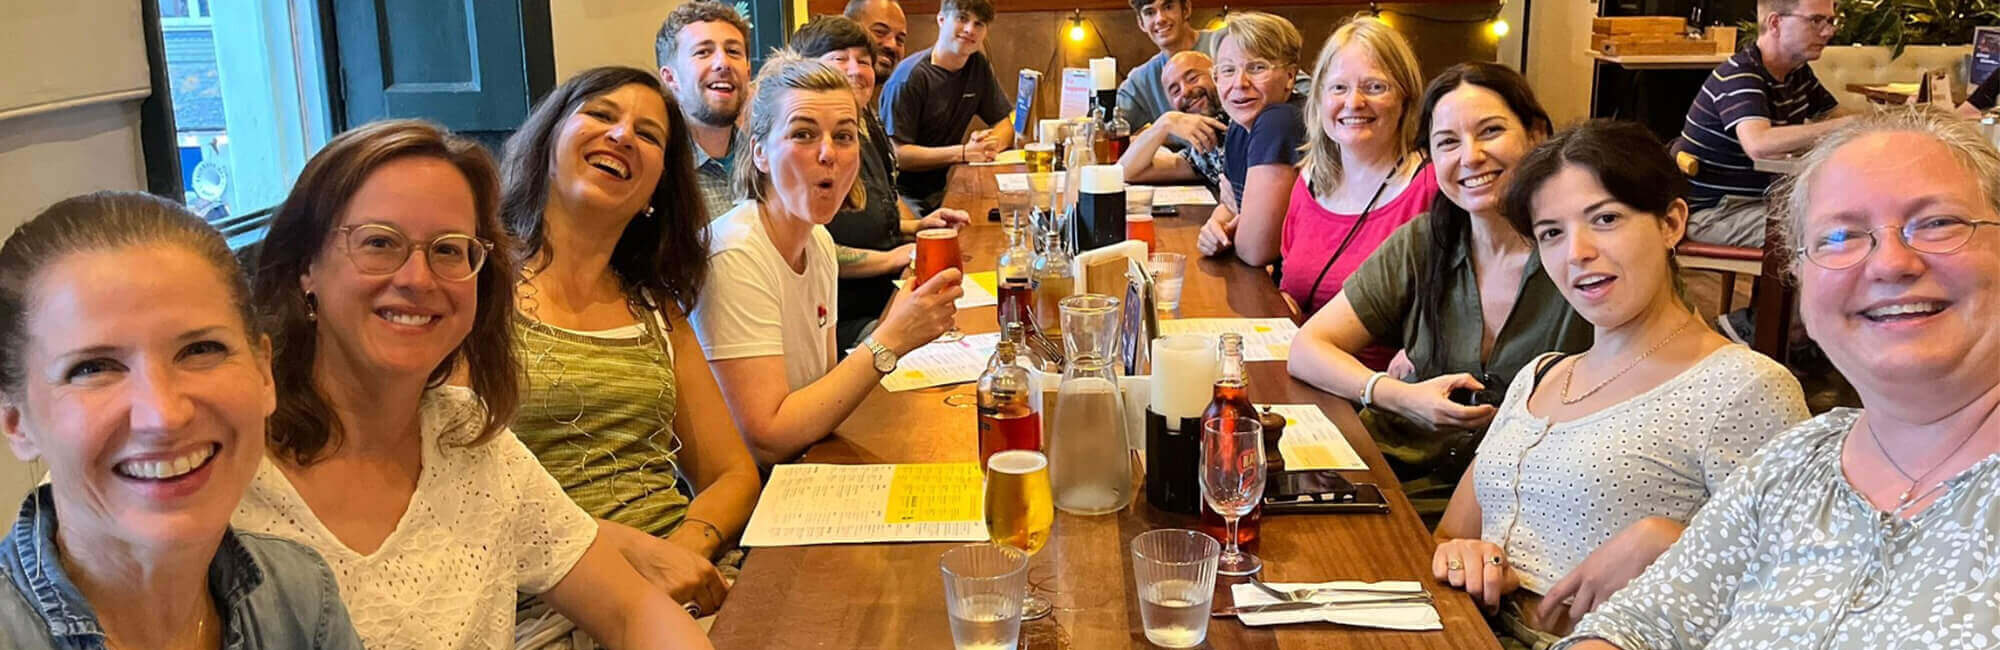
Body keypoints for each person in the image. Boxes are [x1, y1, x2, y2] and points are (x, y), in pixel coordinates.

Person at [236, 120, 711, 648]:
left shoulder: (469, 438)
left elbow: (631, 609)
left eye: (447, 250)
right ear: (306, 267)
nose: (417, 279)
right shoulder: (228, 475)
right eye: (379, 243)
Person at [1556, 107, 2000, 650]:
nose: (1891, 264)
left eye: (1936, 223)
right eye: (1840, 236)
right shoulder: (1794, 465)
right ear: (1800, 281)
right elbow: (1638, 625)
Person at [1429, 120, 1809, 647]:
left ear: (1672, 223)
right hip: (1460, 628)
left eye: (1605, 219)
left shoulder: (1742, 387)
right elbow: (1451, 532)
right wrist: (1464, 555)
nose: (1576, 252)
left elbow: (1801, 590)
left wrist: (1671, 541)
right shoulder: (1542, 374)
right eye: (1551, 233)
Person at [0, 192, 363, 648]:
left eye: (201, 350)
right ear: (16, 421)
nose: (165, 416)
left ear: (263, 372)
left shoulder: (298, 597)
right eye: (93, 368)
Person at [498, 66, 759, 617]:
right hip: (548, 603)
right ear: (548, 141)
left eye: (648, 135)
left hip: (688, 586)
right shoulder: (475, 290)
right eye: (600, 114)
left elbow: (732, 473)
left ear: (655, 191)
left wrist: (687, 547)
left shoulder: (655, 306)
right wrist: (637, 560)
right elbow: (457, 495)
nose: (622, 136)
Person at [1286, 62, 1591, 522]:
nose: (1469, 156)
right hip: (1393, 482)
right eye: (1447, 142)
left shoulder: (1584, 253)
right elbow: (1307, 348)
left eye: (1490, 131)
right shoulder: (1424, 242)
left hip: (1527, 509)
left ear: (1536, 134)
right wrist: (1396, 395)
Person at [693, 53, 963, 466]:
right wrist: (892, 337)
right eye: (803, 134)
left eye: (844, 136)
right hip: (753, 502)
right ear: (760, 153)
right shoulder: (733, 254)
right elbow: (768, 440)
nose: (828, 154)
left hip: (809, 468)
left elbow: (820, 392)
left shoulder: (818, 243)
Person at [793, 15, 972, 350]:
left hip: (887, 295)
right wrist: (895, 258)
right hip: (842, 322)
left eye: (863, 61)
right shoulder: (803, 154)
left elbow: (876, 210)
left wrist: (917, 227)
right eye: (839, 59)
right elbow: (808, 247)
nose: (855, 70)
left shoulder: (867, 124)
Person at [1279, 16, 1436, 339]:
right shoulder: (1309, 180)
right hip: (1300, 367)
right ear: (1320, 98)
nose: (1353, 102)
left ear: (1406, 98)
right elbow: (1288, 285)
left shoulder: (1431, 188)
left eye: (1375, 87)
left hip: (1379, 384)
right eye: (1339, 88)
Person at [1674, 0, 1851, 249]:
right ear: (1775, 23)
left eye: (1830, 21)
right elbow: (1759, 144)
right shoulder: (1740, 75)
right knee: (1834, 238)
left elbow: (1835, 116)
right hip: (1716, 213)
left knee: (1851, 222)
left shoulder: (1796, 73)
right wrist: (1844, 125)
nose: (1827, 32)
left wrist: (1882, 119)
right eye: (1815, 21)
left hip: (1767, 202)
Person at [1192, 11, 1308, 268]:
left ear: (1290, 76)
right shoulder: (1239, 125)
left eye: (1256, 68)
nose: (1239, 83)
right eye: (1227, 70)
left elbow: (1255, 250)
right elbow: (1228, 205)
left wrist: (1239, 217)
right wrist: (1214, 228)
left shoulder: (1279, 120)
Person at [878, 0, 1015, 214]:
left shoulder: (977, 65)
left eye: (979, 24)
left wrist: (988, 146)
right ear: (941, 19)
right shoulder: (909, 78)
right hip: (902, 195)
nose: (970, 29)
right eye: (962, 18)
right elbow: (898, 155)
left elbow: (1005, 124)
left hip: (946, 186)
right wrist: (963, 153)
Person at [656, 1, 755, 221]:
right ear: (670, 78)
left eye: (733, 51)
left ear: (748, 72)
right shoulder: (653, 173)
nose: (723, 63)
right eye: (703, 52)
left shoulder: (769, 163)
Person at [1118, 50, 1229, 189]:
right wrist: (1165, 123)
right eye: (1175, 91)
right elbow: (1126, 172)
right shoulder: (1206, 149)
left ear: (1217, 75)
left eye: (1192, 78)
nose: (1185, 91)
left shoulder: (1246, 123)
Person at [1117, 0, 1221, 132]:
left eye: (1168, 7)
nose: (1160, 19)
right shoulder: (1140, 81)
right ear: (1141, 23)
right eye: (1150, 12)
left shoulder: (1225, 44)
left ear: (1186, 9)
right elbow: (1113, 133)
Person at [843, 0, 908, 90]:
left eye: (900, 39)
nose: (892, 45)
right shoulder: (823, 100)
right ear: (847, 30)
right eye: (880, 32)